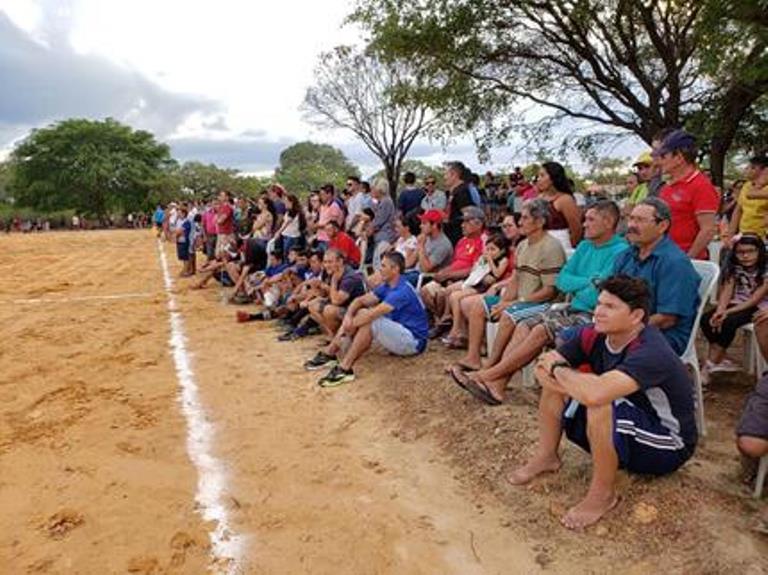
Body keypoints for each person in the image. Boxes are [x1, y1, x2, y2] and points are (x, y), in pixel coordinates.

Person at [509, 275, 697, 529]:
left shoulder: (651, 351)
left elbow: (593, 392)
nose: (598, 312)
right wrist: (563, 376)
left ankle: (602, 495)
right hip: (624, 424)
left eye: (610, 307)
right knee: (565, 389)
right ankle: (546, 456)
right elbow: (544, 366)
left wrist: (562, 373)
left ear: (635, 316)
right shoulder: (595, 335)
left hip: (666, 444)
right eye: (599, 304)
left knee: (599, 401)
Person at [452, 201, 628, 402]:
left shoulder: (620, 252)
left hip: (594, 315)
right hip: (572, 307)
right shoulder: (585, 246)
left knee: (537, 328)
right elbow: (563, 281)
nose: (584, 224)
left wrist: (581, 284)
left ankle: (488, 375)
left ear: (608, 222)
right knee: (524, 324)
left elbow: (595, 295)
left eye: (590, 219)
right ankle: (497, 384)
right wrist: (589, 281)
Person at [304, 251, 429, 387]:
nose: (379, 269)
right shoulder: (389, 285)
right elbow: (360, 301)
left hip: (414, 343)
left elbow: (371, 315)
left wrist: (349, 325)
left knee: (371, 320)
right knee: (362, 312)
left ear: (395, 269)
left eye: (383, 266)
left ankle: (344, 368)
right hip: (400, 332)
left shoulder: (401, 291)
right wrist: (348, 317)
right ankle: (331, 353)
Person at [614, 198, 700, 354]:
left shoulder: (675, 263)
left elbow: (666, 319)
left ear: (662, 226)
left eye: (640, 220)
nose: (632, 225)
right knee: (572, 339)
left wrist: (622, 330)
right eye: (631, 218)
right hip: (625, 327)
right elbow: (611, 297)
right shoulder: (625, 256)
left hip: (661, 336)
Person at [701, 234, 768, 376]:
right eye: (740, 252)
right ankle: (719, 354)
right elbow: (727, 290)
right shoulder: (735, 267)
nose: (745, 256)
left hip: (759, 305)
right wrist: (720, 310)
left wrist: (728, 313)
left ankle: (713, 360)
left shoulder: (765, 269)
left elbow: (755, 299)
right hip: (738, 302)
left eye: (750, 251)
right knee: (707, 319)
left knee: (729, 322)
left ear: (759, 251)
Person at [655, 129, 719, 259]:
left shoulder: (701, 186)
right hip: (664, 257)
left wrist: (688, 259)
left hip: (687, 262)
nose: (659, 161)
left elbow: (708, 230)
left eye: (663, 156)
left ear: (678, 157)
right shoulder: (666, 187)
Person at [440, 233, 511, 348]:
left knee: (456, 297)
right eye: (487, 249)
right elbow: (474, 271)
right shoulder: (484, 258)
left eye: (493, 249)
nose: (489, 252)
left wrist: (490, 260)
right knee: (452, 294)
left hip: (483, 287)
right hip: (475, 281)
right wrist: (480, 262)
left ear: (502, 251)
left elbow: (497, 274)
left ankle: (455, 329)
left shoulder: (503, 260)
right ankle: (456, 326)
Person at [420, 206, 485, 325]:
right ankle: (441, 320)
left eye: (466, 221)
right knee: (425, 291)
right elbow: (455, 263)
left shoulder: (482, 242)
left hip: (467, 280)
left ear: (479, 224)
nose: (462, 225)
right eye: (463, 221)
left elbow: (474, 270)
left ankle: (444, 322)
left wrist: (449, 275)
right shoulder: (462, 241)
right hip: (451, 278)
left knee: (441, 294)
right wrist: (445, 274)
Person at [307, 249, 366, 337]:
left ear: (340, 261)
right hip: (343, 306)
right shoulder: (334, 271)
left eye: (330, 262)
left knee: (329, 310)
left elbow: (336, 301)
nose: (326, 265)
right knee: (312, 305)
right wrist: (317, 287)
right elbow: (326, 295)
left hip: (354, 310)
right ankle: (333, 335)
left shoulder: (349, 278)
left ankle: (340, 339)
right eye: (325, 262)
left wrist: (333, 282)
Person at [535, 161, 583, 249]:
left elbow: (576, 228)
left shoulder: (565, 200)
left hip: (561, 246)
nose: (538, 179)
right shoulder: (539, 198)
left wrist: (570, 247)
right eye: (538, 176)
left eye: (542, 176)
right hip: (540, 246)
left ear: (553, 178)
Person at [729, 155, 768, 238]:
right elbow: (738, 211)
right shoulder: (746, 185)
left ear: (764, 170)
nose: (747, 170)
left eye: (751, 168)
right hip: (744, 233)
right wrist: (730, 235)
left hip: (763, 235)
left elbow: (750, 195)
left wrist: (761, 182)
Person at [444, 161, 475, 244]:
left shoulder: (462, 192)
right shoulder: (452, 192)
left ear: (454, 174)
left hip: (458, 236)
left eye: (446, 174)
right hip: (451, 234)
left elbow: (469, 215)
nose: (444, 177)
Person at [370, 178, 398, 269]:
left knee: (379, 265)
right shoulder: (382, 202)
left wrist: (369, 230)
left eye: (373, 188)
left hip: (385, 237)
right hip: (380, 238)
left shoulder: (386, 202)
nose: (372, 190)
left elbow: (378, 221)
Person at [215, 191, 236, 257]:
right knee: (219, 254)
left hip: (226, 234)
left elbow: (220, 220)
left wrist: (217, 220)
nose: (220, 197)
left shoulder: (228, 207)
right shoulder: (221, 207)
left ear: (227, 197)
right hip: (221, 233)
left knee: (225, 254)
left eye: (222, 195)